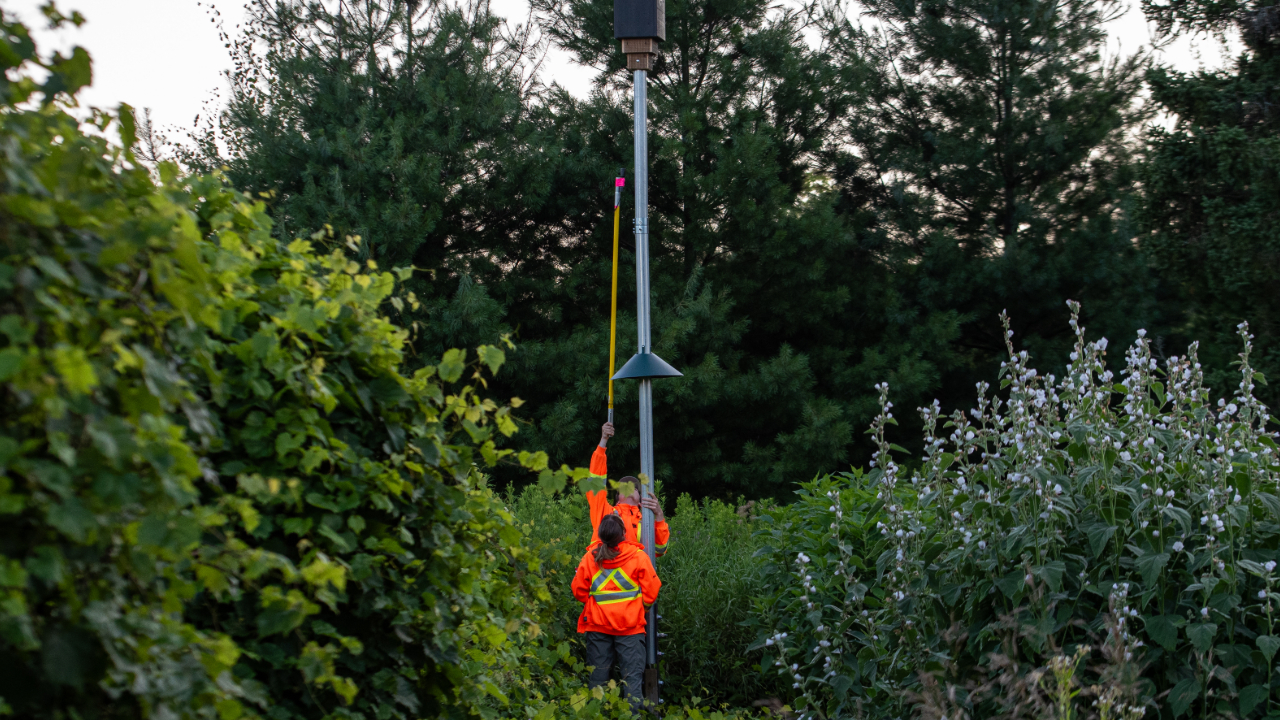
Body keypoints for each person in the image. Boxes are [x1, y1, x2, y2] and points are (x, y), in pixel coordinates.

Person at [572, 513, 661, 710]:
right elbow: (652, 590)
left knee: (598, 681)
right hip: (630, 628)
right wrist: (641, 608)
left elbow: (578, 592)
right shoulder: (638, 557)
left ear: (601, 535)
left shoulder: (589, 558)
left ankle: (597, 714)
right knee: (632, 684)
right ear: (623, 532)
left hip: (598, 627)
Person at [588, 422, 670, 556]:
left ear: (640, 502)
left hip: (632, 574)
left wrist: (659, 515)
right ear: (617, 500)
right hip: (604, 572)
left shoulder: (646, 521)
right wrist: (603, 441)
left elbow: (660, 550)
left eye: (634, 488)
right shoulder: (606, 513)